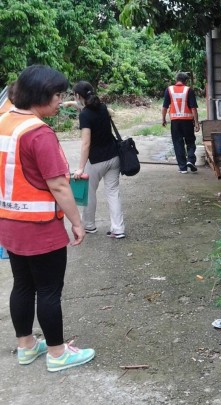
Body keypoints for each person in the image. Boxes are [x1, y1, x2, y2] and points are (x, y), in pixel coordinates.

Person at [0, 65, 95, 372]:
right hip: (40, 228)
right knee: (49, 291)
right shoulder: (39, 133)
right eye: (57, 95)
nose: (60, 100)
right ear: (41, 95)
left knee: (23, 286)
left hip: (10, 224)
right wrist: (77, 222)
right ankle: (57, 353)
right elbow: (58, 184)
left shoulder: (4, 122)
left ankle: (26, 346)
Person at [70, 81, 125, 239]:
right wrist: (71, 103)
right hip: (114, 157)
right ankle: (118, 228)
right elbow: (86, 107)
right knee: (113, 193)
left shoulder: (85, 115)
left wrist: (80, 168)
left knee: (90, 192)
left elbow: (86, 143)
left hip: (96, 161)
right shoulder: (103, 108)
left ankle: (89, 226)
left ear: (78, 96)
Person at [161, 72, 200, 174]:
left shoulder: (169, 90)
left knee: (178, 143)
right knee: (190, 141)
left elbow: (164, 107)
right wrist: (196, 123)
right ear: (185, 81)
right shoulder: (188, 90)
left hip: (175, 122)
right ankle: (191, 160)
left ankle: (182, 168)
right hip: (187, 121)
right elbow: (193, 108)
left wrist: (163, 119)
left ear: (176, 79)